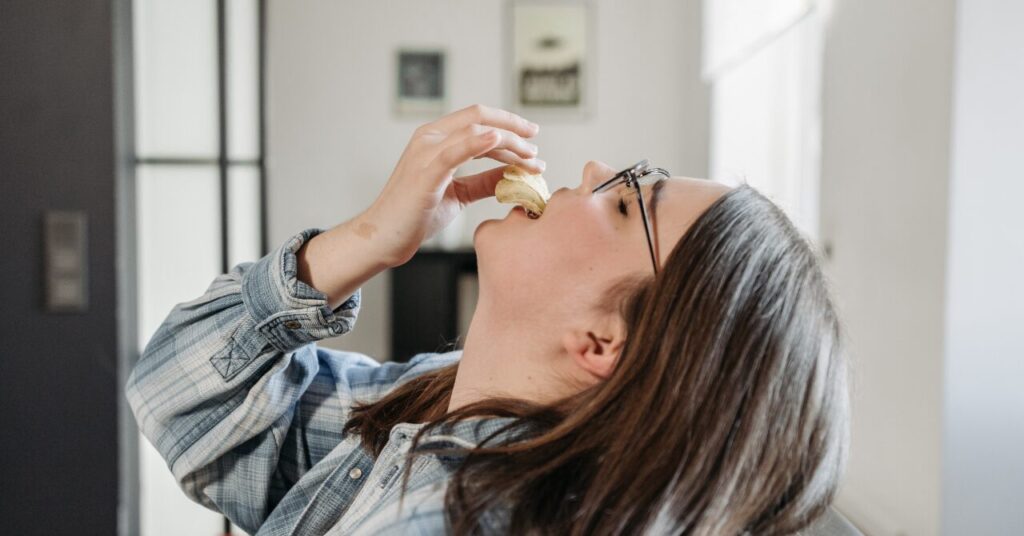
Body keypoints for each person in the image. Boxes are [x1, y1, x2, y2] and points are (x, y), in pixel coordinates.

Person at [127, 104, 849, 535]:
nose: (594, 168)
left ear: (603, 341)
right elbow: (176, 396)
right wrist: (368, 238)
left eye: (628, 204)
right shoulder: (439, 403)